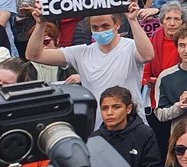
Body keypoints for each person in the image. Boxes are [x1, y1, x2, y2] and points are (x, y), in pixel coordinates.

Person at [27, 10, 155, 122]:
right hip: (98, 127)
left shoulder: (131, 46)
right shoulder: (81, 52)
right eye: (95, 27)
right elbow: (34, 55)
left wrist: (132, 20)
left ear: (117, 25)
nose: (100, 31)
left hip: (131, 125)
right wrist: (40, 24)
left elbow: (148, 56)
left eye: (105, 26)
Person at [96, 85, 162, 167]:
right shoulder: (94, 139)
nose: (109, 113)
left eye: (116, 107)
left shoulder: (144, 134)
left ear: (128, 108)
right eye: (104, 108)